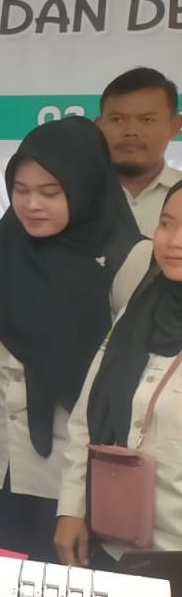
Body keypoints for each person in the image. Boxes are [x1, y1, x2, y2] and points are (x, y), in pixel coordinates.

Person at [0, 117, 147, 563]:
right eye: (21, 189)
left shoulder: (126, 258)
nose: (32, 204)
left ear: (85, 185)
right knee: (12, 588)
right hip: (4, 456)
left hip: (80, 467)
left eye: (51, 192)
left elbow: (128, 379)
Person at [57, 182, 182, 568]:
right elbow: (87, 414)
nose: (175, 240)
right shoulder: (140, 311)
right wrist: (71, 509)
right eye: (167, 223)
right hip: (121, 548)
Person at [97, 67, 182, 233]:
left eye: (147, 119)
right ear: (99, 125)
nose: (131, 131)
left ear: (175, 126)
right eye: (117, 119)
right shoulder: (69, 194)